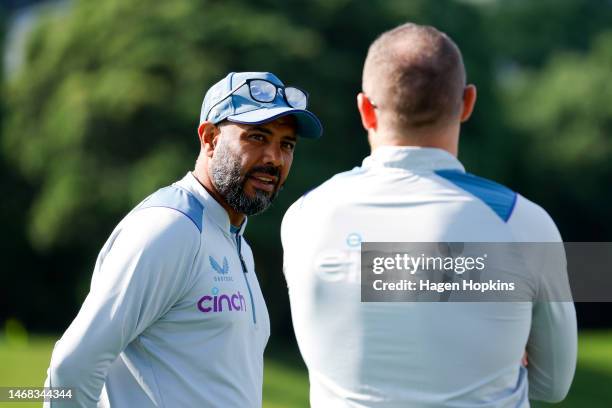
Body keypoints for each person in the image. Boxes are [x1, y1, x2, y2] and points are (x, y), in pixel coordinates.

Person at [281, 23, 577, 407]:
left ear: (366, 110)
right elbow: (553, 386)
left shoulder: (305, 215)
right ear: (467, 103)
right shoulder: (525, 222)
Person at [44, 71, 322, 407]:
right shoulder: (169, 229)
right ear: (209, 138)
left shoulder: (235, 240)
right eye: (257, 137)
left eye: (286, 145)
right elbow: (71, 368)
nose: (274, 159)